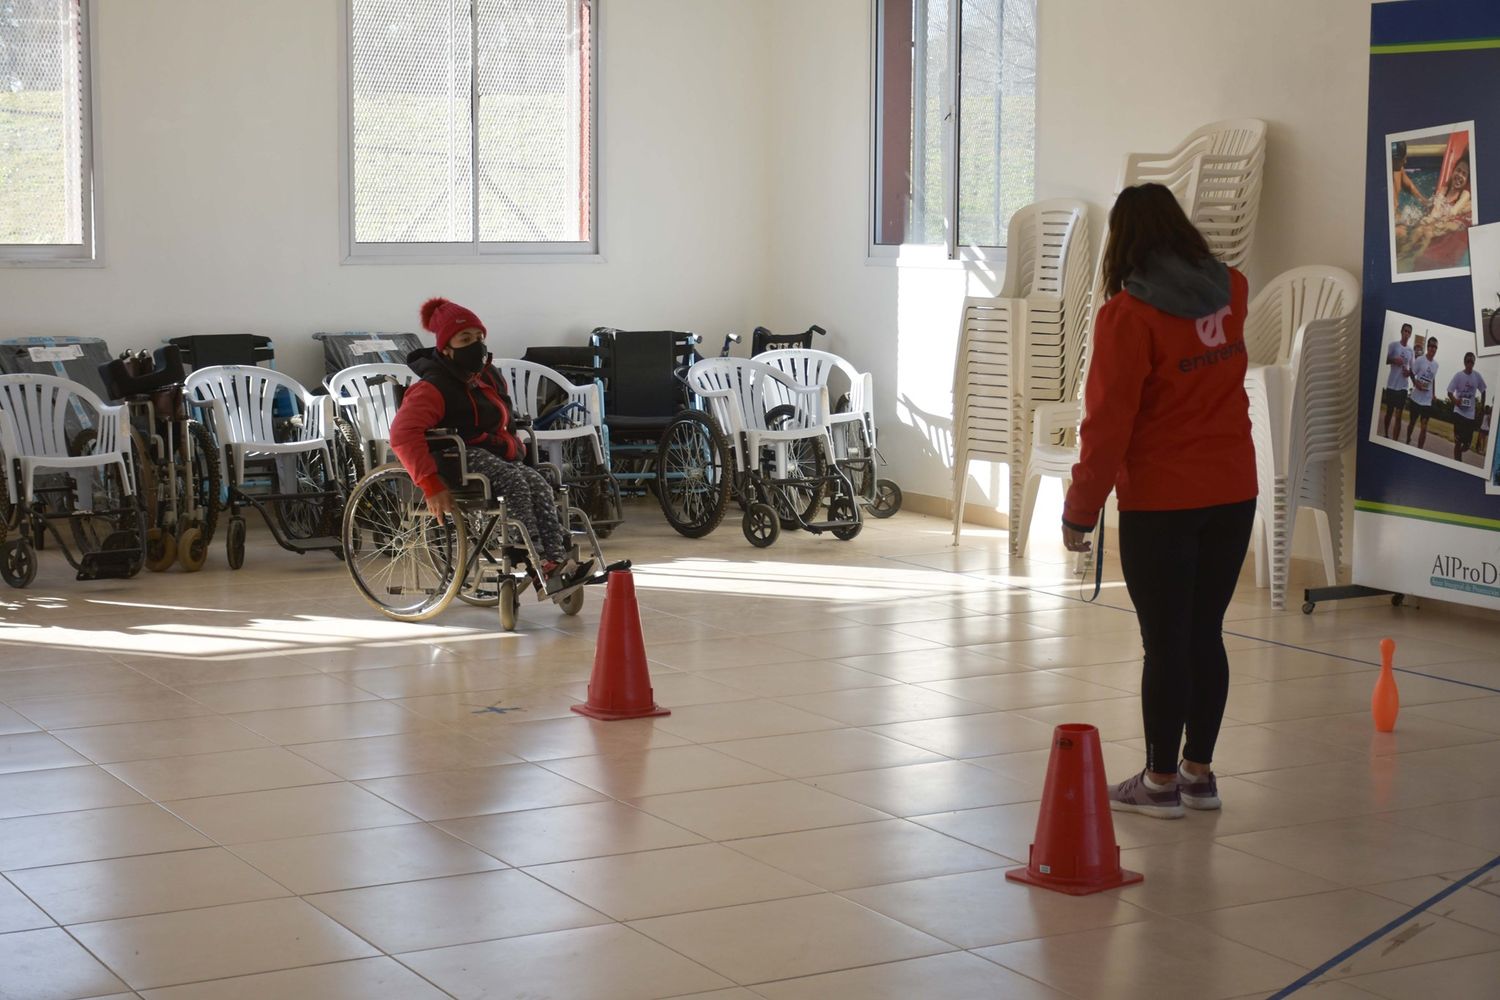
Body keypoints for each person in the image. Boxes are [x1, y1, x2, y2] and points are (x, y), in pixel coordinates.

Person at [1061, 183, 1256, 820]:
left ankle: (1160, 782)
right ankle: (1199, 776)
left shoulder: (1127, 316)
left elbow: (1108, 425)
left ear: (1124, 242)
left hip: (1163, 500)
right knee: (1205, 633)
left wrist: (1080, 510)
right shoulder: (1233, 291)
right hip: (1233, 489)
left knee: (1165, 643)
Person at [389, 297, 592, 593]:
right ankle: (530, 554)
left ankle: (557, 560)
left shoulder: (487, 377)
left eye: (480, 337)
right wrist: (431, 485)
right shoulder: (432, 387)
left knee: (538, 480)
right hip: (453, 456)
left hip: (492, 453)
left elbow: (504, 422)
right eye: (466, 338)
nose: (477, 345)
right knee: (514, 479)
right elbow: (402, 434)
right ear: (446, 347)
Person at [1446, 352, 1489, 462]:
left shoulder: (1477, 376)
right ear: (1464, 362)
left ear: (1474, 363)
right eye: (1468, 361)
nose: (1470, 363)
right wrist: (1456, 401)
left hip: (1470, 414)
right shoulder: (1458, 376)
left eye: (1472, 361)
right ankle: (1457, 463)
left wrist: (1482, 407)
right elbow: (1449, 391)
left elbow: (1483, 390)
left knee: (1467, 444)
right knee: (1458, 440)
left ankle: (1461, 450)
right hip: (1459, 412)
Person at [1403, 336, 1440, 448]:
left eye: (1435, 347)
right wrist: (1416, 383)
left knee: (1424, 427)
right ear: (1428, 347)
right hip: (1416, 398)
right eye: (1431, 346)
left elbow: (1433, 379)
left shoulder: (1436, 365)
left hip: (1427, 401)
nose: (1433, 349)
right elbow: (1411, 373)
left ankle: (1420, 449)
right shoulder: (1420, 360)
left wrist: (1433, 393)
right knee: (1412, 423)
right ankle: (1408, 438)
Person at [1382, 323, 1415, 438]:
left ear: (1410, 335)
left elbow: (1413, 369)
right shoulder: (1393, 346)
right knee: (1389, 412)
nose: (1406, 334)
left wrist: (1409, 372)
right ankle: (1386, 434)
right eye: (1405, 331)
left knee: (1399, 415)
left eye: (1409, 332)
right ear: (1401, 332)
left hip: (1403, 387)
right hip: (1392, 385)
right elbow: (1384, 360)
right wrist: (1393, 360)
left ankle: (1394, 440)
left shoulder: (1411, 351)